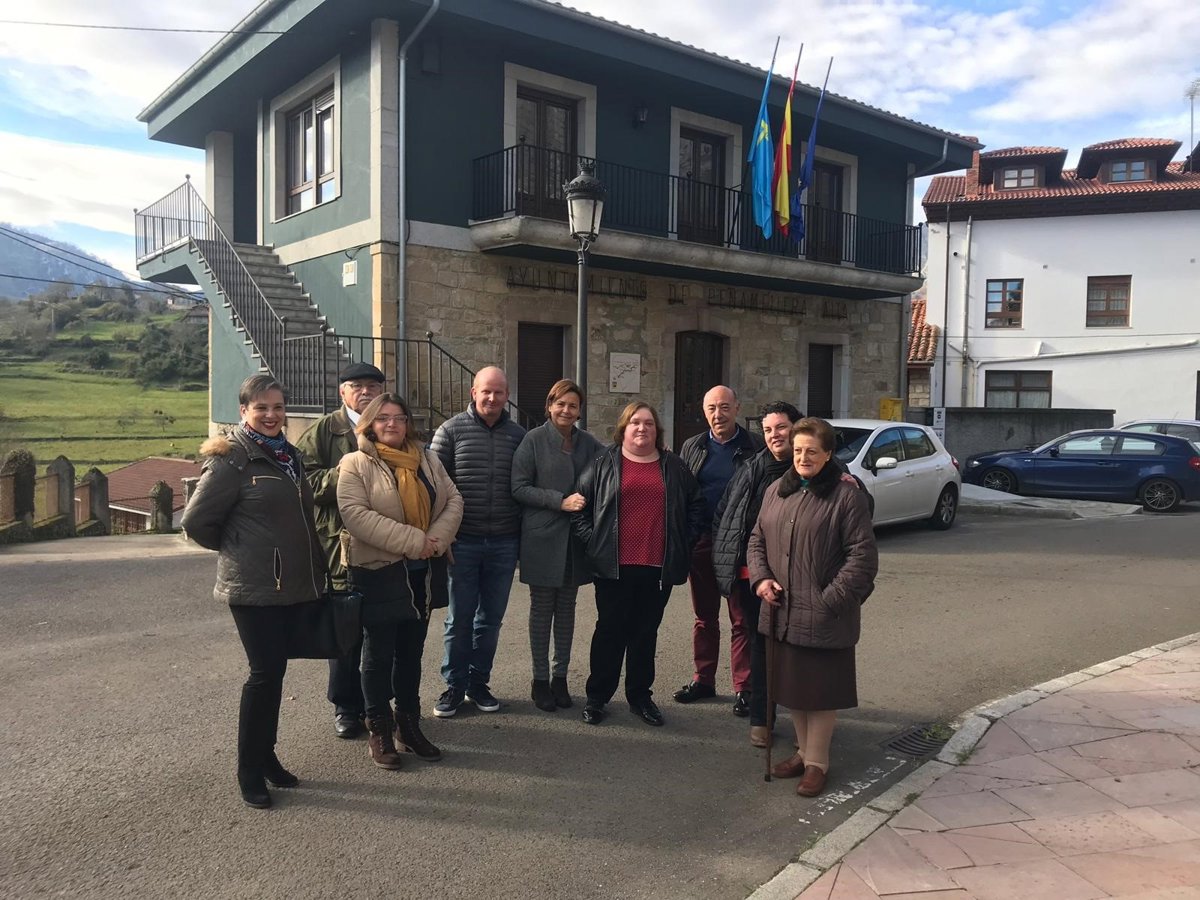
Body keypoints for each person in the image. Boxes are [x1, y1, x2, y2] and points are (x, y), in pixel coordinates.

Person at [181, 374, 325, 809]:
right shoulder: (232, 459)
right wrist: (240, 550)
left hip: (289, 585)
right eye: (261, 408)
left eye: (278, 407)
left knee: (274, 673)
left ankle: (267, 758)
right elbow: (195, 521)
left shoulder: (287, 456)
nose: (271, 415)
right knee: (263, 675)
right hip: (252, 587)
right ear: (244, 411)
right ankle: (249, 770)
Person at [747, 417, 878, 797]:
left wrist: (829, 601)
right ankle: (804, 753)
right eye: (799, 450)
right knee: (794, 690)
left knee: (819, 694)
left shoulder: (846, 496)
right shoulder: (777, 490)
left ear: (829, 454)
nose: (803, 458)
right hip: (782, 611)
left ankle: (818, 763)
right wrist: (761, 579)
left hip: (824, 615)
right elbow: (757, 539)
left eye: (812, 452)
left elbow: (862, 558)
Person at [337, 393, 463, 768]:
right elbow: (355, 515)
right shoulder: (355, 463)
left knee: (411, 653)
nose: (392, 424)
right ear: (370, 424)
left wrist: (435, 540)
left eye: (399, 417)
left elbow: (453, 500)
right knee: (377, 655)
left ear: (408, 423)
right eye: (383, 418)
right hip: (378, 571)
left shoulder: (427, 459)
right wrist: (415, 541)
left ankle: (408, 725)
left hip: (422, 573)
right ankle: (378, 727)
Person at [571, 402, 706, 727]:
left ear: (657, 430)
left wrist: (682, 541)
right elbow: (579, 507)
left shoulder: (673, 466)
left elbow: (697, 506)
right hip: (613, 566)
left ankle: (640, 697)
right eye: (635, 422)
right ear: (624, 428)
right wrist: (595, 541)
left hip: (657, 566)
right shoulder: (604, 462)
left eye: (648, 423)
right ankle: (597, 697)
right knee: (609, 631)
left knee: (645, 633)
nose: (642, 428)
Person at [294, 362, 386, 739]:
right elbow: (304, 482)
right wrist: (351, 474)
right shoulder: (323, 431)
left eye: (372, 386)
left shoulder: (391, 424)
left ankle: (376, 704)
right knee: (346, 632)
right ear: (342, 392)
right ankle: (345, 707)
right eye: (357, 386)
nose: (365, 392)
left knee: (382, 633)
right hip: (340, 546)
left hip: (386, 545)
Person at [429, 366, 526, 717]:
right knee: (460, 619)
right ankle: (454, 685)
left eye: (499, 392)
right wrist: (443, 534)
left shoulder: (519, 436)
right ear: (474, 392)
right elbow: (433, 486)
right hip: (463, 543)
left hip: (504, 542)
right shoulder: (450, 430)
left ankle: (478, 683)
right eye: (486, 391)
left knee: (490, 620)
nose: (492, 398)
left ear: (507, 395)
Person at [712, 401, 803, 748]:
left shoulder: (817, 465)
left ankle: (807, 726)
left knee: (799, 651)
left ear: (796, 428)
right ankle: (762, 718)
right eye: (767, 430)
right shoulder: (751, 468)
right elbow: (725, 514)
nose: (774, 435)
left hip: (800, 578)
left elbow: (857, 504)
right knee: (761, 646)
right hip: (754, 575)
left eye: (781, 427)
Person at [511, 379, 603, 712]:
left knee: (566, 609)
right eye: (560, 404)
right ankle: (539, 680)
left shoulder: (588, 443)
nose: (566, 410)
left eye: (573, 405)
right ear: (549, 406)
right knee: (541, 609)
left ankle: (560, 677)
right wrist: (558, 501)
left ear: (580, 411)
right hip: (542, 537)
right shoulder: (533, 440)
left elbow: (611, 467)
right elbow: (519, 487)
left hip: (575, 541)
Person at [673, 385, 763, 714]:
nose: (718, 414)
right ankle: (704, 680)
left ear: (737, 408)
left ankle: (745, 688)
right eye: (711, 408)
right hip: (703, 541)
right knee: (704, 617)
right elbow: (682, 492)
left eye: (724, 407)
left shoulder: (755, 446)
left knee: (741, 619)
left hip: (739, 543)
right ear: (704, 411)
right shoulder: (693, 446)